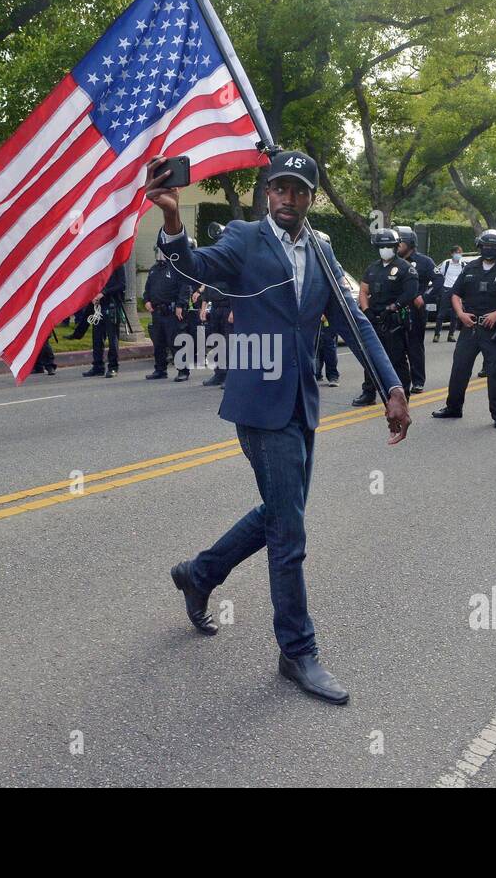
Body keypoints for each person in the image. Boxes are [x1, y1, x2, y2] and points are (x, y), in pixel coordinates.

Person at [148, 149, 409, 706]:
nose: (289, 199)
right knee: (289, 536)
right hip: (260, 405)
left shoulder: (322, 248)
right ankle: (298, 651)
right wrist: (172, 220)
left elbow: (351, 319)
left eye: (300, 191)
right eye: (280, 189)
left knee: (278, 513)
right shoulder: (245, 238)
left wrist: (391, 385)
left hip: (301, 403)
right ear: (269, 192)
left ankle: (200, 573)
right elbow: (192, 268)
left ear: (312, 197)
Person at [431, 229, 496, 429]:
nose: (489, 250)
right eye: (486, 246)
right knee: (459, 368)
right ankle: (453, 408)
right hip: (470, 326)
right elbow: (455, 294)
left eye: (493, 247)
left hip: (494, 329)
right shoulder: (470, 267)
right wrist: (460, 314)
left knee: (495, 372)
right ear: (480, 247)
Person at [352, 228, 417, 406]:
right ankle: (369, 392)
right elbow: (363, 291)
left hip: (394, 320)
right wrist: (366, 311)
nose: (385, 249)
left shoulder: (405, 268)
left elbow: (410, 292)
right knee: (370, 356)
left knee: (397, 359)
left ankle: (403, 395)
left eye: (388, 246)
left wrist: (393, 308)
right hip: (374, 318)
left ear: (396, 247)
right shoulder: (372, 268)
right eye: (382, 246)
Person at [142, 243, 192, 381]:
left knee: (175, 342)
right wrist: (146, 301)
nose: (159, 254)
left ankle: (183, 371)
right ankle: (160, 370)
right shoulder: (153, 270)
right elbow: (147, 289)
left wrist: (181, 305)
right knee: (158, 343)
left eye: (161, 252)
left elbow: (184, 287)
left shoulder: (176, 268)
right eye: (157, 251)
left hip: (172, 312)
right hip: (157, 312)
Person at [396, 226, 436, 393]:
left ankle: (418, 380)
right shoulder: (392, 262)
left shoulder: (425, 262)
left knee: (414, 346)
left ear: (410, 243)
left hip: (415, 310)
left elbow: (438, 282)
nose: (396, 246)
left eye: (400, 242)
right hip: (395, 309)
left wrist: (424, 297)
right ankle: (396, 381)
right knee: (395, 347)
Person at [83, 264, 126, 377]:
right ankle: (98, 366)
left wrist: (104, 293)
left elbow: (122, 284)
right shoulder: (99, 265)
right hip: (99, 306)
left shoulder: (117, 264)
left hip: (112, 305)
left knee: (112, 338)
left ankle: (113, 367)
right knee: (97, 338)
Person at [432, 245, 465, 342]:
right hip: (446, 289)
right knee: (441, 314)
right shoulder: (446, 263)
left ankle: (451, 335)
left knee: (455, 315)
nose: (458, 255)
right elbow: (440, 275)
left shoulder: (463, 265)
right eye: (456, 252)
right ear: (452, 254)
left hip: (457, 291)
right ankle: (437, 334)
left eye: (460, 253)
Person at [313, 316, 339, 386]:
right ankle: (316, 374)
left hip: (328, 319)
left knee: (329, 348)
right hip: (315, 318)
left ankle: (333, 376)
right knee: (316, 347)